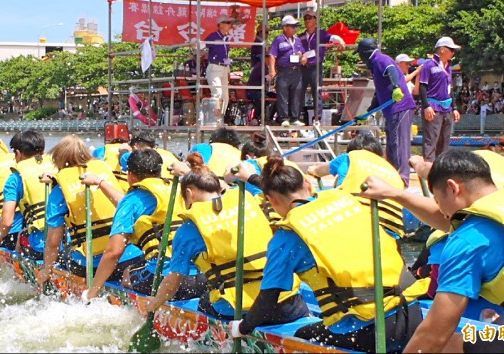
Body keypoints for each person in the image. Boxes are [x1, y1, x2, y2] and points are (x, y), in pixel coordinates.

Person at [228, 156, 428, 352]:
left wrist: (242, 328)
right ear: (308, 185)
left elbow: (267, 302)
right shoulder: (344, 199)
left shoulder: (287, 236)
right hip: (412, 314)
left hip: (371, 331)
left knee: (301, 336)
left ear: (271, 201)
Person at [361, 150, 504, 353]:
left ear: (452, 187)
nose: (441, 210)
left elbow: (435, 334)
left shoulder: (466, 242)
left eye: (437, 201)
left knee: (449, 346)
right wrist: (394, 193)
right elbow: (450, 219)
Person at [144, 153, 310, 324]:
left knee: (206, 300)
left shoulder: (188, 229)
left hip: (238, 309)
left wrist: (154, 304)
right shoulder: (251, 200)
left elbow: (173, 281)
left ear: (189, 193)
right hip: (288, 302)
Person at [80, 149, 206, 303]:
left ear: (131, 175)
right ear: (159, 171)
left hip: (166, 279)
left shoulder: (132, 201)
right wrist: (101, 183)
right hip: (200, 277)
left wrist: (92, 291)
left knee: (127, 273)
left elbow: (113, 252)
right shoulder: (177, 188)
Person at [37, 135, 145, 285]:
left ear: (58, 159)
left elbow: (53, 242)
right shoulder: (104, 173)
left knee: (65, 251)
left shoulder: (59, 190)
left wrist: (46, 269)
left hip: (92, 265)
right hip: (130, 257)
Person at [306, 133, 407, 239]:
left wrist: (312, 170)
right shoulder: (391, 170)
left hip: (349, 218)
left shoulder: (347, 157)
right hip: (390, 227)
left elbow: (320, 171)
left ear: (352, 150)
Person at [355, 38, 416, 186]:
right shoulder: (374, 66)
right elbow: (379, 94)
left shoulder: (380, 59)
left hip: (400, 106)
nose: (360, 58)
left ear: (366, 52)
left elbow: (392, 70)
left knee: (399, 143)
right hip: (390, 110)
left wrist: (396, 87)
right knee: (391, 144)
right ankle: (392, 175)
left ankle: (402, 180)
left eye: (360, 54)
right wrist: (367, 113)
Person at [0, 130, 56, 258]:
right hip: (65, 241)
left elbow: (6, 222)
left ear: (18, 153)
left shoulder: (15, 179)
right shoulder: (57, 164)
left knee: (20, 238)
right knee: (21, 234)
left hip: (40, 246)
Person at [298, 10, 346, 124]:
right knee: (299, 91)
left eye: (310, 18)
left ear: (315, 20)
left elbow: (333, 37)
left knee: (316, 92)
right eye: (305, 18)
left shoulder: (321, 34)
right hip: (303, 67)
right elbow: (297, 49)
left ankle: (317, 118)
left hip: (316, 67)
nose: (307, 20)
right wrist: (301, 57)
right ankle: (298, 116)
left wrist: (341, 41)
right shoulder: (301, 36)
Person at [419, 37, 462, 162]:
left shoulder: (448, 67)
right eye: (451, 50)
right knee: (431, 140)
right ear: (442, 50)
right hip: (433, 107)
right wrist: (426, 106)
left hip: (446, 108)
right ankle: (429, 168)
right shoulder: (429, 65)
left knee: (444, 141)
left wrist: (454, 108)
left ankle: (441, 168)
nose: (453, 53)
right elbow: (422, 86)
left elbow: (450, 89)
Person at [269, 15, 308, 126]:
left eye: (296, 26)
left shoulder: (297, 40)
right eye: (292, 26)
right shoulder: (278, 39)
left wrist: (304, 57)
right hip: (283, 70)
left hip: (296, 70)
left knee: (296, 94)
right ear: (285, 27)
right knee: (283, 95)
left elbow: (303, 53)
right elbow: (272, 55)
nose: (295, 28)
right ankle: (283, 118)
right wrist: (272, 70)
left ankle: (294, 118)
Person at [204, 14, 235, 124]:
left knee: (225, 95)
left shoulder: (226, 39)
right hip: (214, 66)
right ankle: (214, 118)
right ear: (220, 24)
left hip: (224, 68)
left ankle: (220, 118)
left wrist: (228, 69)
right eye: (227, 23)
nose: (230, 25)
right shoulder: (213, 36)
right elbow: (203, 46)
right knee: (217, 92)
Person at [247, 24, 271, 125]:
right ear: (259, 32)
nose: (267, 35)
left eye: (268, 33)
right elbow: (261, 58)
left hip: (260, 72)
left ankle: (262, 117)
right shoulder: (258, 43)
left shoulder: (261, 43)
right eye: (264, 32)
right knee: (261, 96)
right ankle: (256, 117)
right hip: (258, 74)